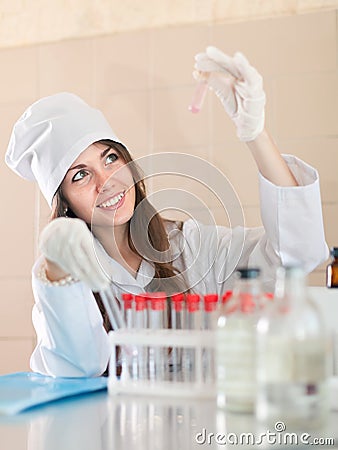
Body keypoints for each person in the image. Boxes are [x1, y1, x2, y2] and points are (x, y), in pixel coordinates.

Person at [5, 47, 328, 377]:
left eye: (110, 158)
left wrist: (256, 133)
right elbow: (80, 368)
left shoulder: (192, 247)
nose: (107, 182)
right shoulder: (58, 277)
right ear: (66, 203)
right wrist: (58, 268)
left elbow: (296, 254)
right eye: (80, 175)